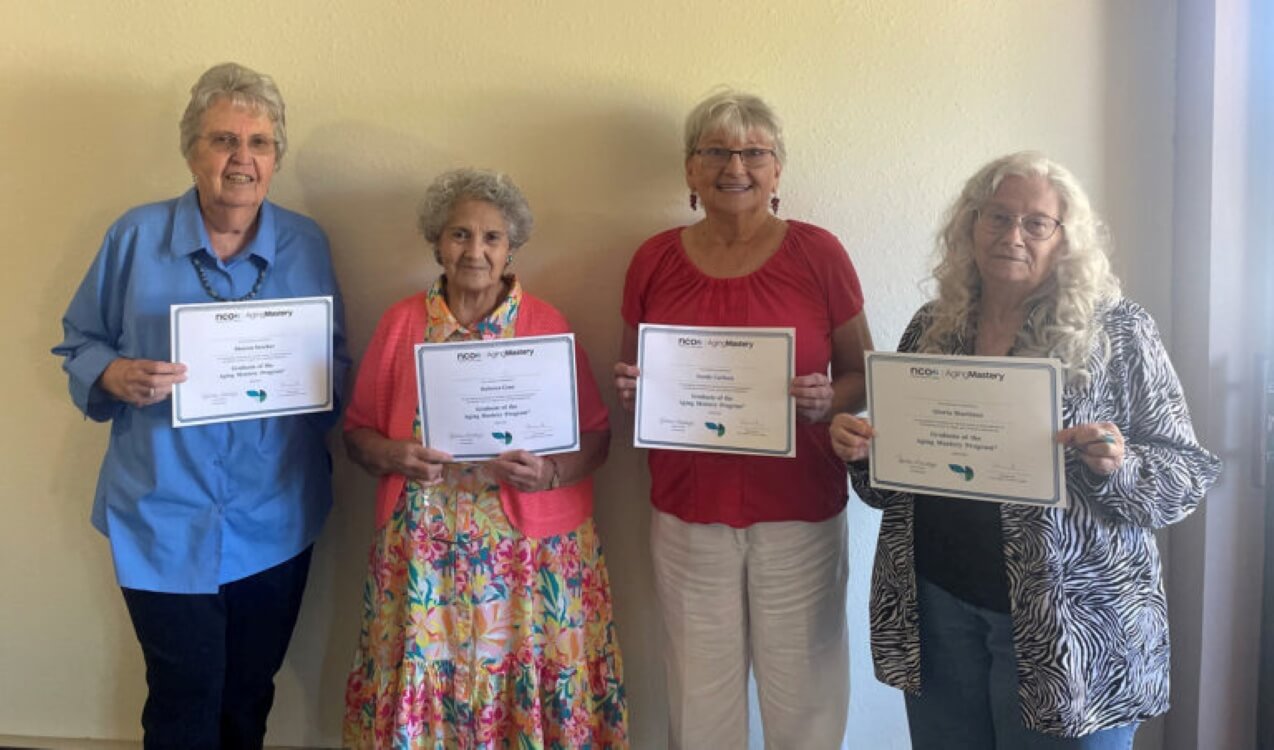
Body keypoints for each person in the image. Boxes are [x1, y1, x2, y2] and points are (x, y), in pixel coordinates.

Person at [830, 152, 1223, 749]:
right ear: (971, 225)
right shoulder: (933, 328)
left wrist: (1121, 465)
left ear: (1066, 240)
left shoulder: (1117, 330)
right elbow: (898, 478)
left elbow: (1185, 476)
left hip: (1071, 631)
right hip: (939, 609)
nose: (1013, 235)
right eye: (998, 217)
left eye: (1037, 223)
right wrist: (863, 453)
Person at [51, 62, 350, 749]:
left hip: (275, 514)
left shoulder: (306, 243)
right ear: (191, 151)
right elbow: (79, 343)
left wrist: (312, 388)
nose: (241, 159)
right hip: (162, 514)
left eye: (260, 143)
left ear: (276, 157)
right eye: (222, 140)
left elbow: (335, 364)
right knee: (183, 698)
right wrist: (114, 373)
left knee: (249, 696)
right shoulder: (134, 236)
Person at [613, 90, 872, 748]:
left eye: (755, 152)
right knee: (699, 699)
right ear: (691, 171)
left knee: (805, 696)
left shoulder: (820, 254)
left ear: (778, 170)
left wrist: (826, 401)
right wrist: (635, 391)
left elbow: (863, 374)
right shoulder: (653, 260)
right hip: (687, 509)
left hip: (799, 508)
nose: (737, 166)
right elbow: (633, 374)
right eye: (717, 152)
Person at [341, 168, 627, 749]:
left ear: (511, 247)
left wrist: (549, 472)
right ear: (437, 243)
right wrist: (395, 454)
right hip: (423, 558)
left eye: (492, 237)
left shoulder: (547, 325)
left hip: (528, 561)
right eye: (460, 235)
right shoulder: (401, 325)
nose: (475, 251)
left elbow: (596, 438)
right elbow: (356, 435)